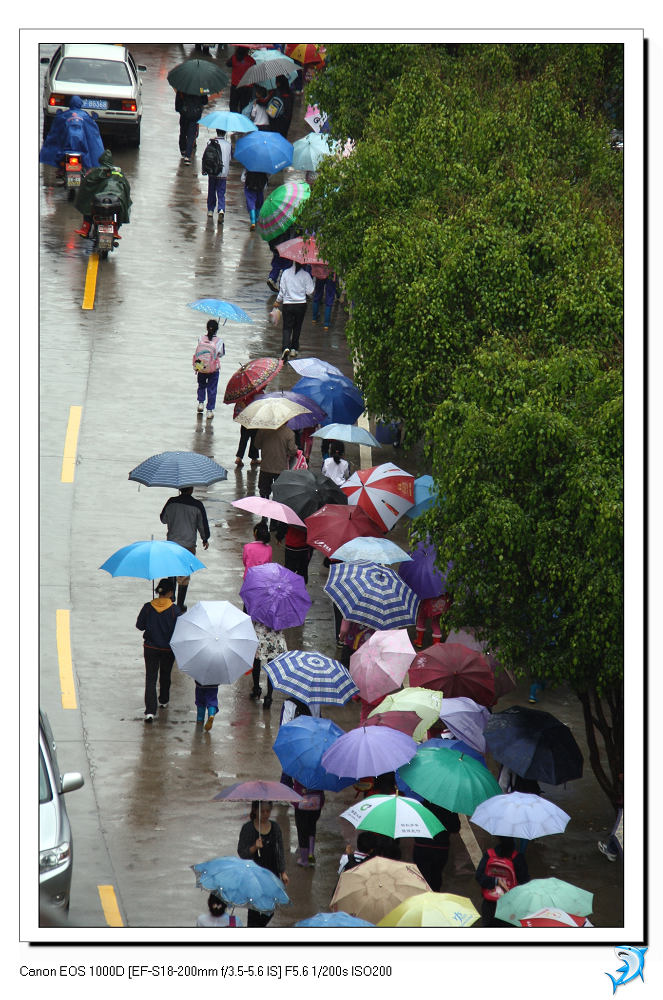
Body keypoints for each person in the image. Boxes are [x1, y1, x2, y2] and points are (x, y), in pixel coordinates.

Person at [135, 579, 182, 723]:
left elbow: (140, 626)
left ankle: (150, 711)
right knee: (165, 674)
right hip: (168, 649)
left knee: (150, 678)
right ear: (170, 593)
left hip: (150, 648)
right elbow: (180, 631)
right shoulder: (175, 611)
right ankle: (163, 699)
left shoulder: (148, 607)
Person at [237, 801, 288, 926]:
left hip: (271, 876)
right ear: (255, 811)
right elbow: (242, 852)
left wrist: (283, 871)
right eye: (262, 811)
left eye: (268, 811)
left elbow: (279, 851)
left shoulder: (275, 828)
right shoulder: (247, 828)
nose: (265, 814)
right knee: (254, 912)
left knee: (269, 910)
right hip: (254, 877)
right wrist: (254, 847)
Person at [160, 486, 210, 609]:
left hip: (172, 544)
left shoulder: (171, 502)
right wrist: (205, 538)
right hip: (188, 545)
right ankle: (180, 605)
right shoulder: (197, 505)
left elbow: (163, 519)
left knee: (172, 571)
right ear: (191, 489)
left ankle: (170, 599)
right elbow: (202, 525)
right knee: (184, 575)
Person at [74, 149, 131, 240]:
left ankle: (85, 228)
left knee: (88, 204)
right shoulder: (119, 172)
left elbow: (87, 184)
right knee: (119, 210)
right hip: (116, 199)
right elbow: (126, 186)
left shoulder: (97, 171)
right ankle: (115, 230)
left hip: (99, 200)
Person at [39, 95, 105, 176]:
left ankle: (61, 169)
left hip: (67, 147)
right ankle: (87, 170)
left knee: (59, 151)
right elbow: (93, 133)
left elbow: (55, 131)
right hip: (82, 146)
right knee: (88, 157)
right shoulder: (85, 116)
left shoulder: (64, 115)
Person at [475, 836, 529, 927]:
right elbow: (525, 882)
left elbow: (479, 876)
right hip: (510, 905)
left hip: (489, 904)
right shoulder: (517, 858)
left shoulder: (489, 855)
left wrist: (496, 881)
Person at [412, 800, 460, 892]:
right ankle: (434, 899)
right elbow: (455, 828)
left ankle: (424, 901)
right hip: (441, 848)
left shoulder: (420, 806)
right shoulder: (449, 808)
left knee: (422, 880)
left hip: (422, 847)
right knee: (436, 878)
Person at [275, 261, 316, 360]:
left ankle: (285, 347)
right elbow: (310, 291)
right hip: (301, 305)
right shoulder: (306, 275)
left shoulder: (286, 273)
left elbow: (282, 291)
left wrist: (277, 301)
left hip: (287, 304)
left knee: (287, 328)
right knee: (297, 327)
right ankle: (294, 348)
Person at [249, 619, 287, 709]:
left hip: (260, 632)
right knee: (272, 665)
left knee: (257, 660)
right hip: (275, 633)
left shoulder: (258, 604)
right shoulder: (281, 605)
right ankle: (269, 697)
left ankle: (256, 689)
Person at [254, 423, 298, 500]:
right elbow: (292, 451)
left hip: (265, 467)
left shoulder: (263, 430)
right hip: (280, 468)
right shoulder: (289, 433)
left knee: (264, 492)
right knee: (280, 493)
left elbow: (257, 445)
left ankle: (264, 508)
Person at [192, 319, 225, 419]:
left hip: (201, 366)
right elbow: (221, 354)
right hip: (213, 369)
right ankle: (209, 410)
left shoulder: (201, 338)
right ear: (217, 329)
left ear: (207, 328)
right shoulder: (219, 341)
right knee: (212, 388)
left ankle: (201, 403)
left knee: (201, 385)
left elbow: (198, 351)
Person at [292, 778, 324, 867]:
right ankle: (310, 853)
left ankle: (304, 859)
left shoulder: (298, 765)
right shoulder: (322, 765)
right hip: (317, 800)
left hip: (301, 799)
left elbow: (286, 778)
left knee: (302, 829)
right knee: (312, 825)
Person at [202, 129, 231, 220]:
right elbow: (229, 159)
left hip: (213, 171)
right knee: (221, 192)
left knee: (211, 191)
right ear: (225, 133)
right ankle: (221, 209)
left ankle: (210, 210)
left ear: (217, 131)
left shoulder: (210, 143)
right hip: (223, 172)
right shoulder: (228, 145)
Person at [175, 89, 208, 163]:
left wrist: (180, 109)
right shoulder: (201, 87)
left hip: (184, 113)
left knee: (183, 131)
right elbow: (205, 101)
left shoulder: (183, 86)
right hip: (195, 114)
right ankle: (187, 155)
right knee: (191, 134)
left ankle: (183, 149)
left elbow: (178, 102)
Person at [234, 389, 262, 467]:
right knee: (254, 439)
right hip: (255, 420)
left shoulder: (245, 392)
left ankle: (239, 457)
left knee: (243, 439)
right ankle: (254, 458)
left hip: (245, 419)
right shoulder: (260, 394)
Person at [226, 46, 255, 113]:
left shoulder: (234, 58)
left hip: (235, 86)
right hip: (247, 87)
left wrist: (235, 53)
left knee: (233, 105)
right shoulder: (251, 60)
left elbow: (227, 64)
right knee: (244, 106)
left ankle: (233, 119)